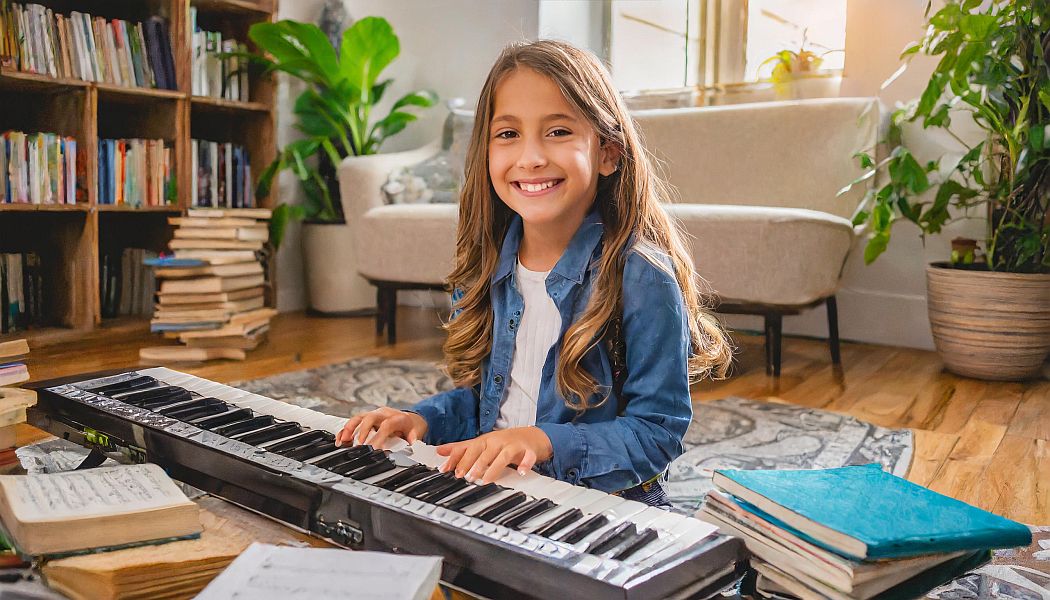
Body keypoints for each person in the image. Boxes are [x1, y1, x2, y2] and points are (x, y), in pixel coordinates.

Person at [336, 39, 732, 507]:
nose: (531, 158)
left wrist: (542, 442)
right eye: (508, 135)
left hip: (602, 507)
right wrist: (422, 420)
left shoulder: (642, 277)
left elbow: (655, 436)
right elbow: (493, 407)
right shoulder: (484, 267)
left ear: (607, 153)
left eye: (558, 131)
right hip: (498, 489)